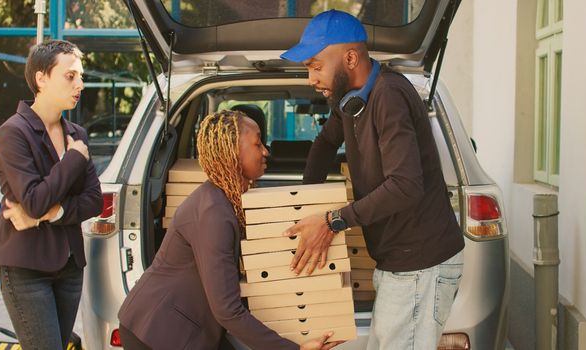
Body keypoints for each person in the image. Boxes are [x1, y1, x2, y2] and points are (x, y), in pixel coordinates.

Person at [280, 10, 466, 350]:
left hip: (420, 266)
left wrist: (333, 220)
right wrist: (303, 202)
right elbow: (323, 144)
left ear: (350, 58)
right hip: (398, 264)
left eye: (316, 65)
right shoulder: (350, 101)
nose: (310, 78)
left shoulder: (388, 95)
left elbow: (406, 186)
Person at [118, 110, 341, 350]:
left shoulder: (225, 198)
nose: (265, 151)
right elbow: (227, 310)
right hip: (159, 330)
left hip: (188, 326)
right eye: (257, 144)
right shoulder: (214, 213)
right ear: (232, 153)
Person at [0, 40, 103, 349]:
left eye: (81, 76)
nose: (80, 84)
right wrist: (73, 161)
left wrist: (52, 214)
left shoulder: (77, 134)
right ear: (41, 78)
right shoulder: (14, 131)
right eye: (70, 76)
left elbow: (93, 200)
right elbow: (35, 200)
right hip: (27, 269)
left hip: (69, 266)